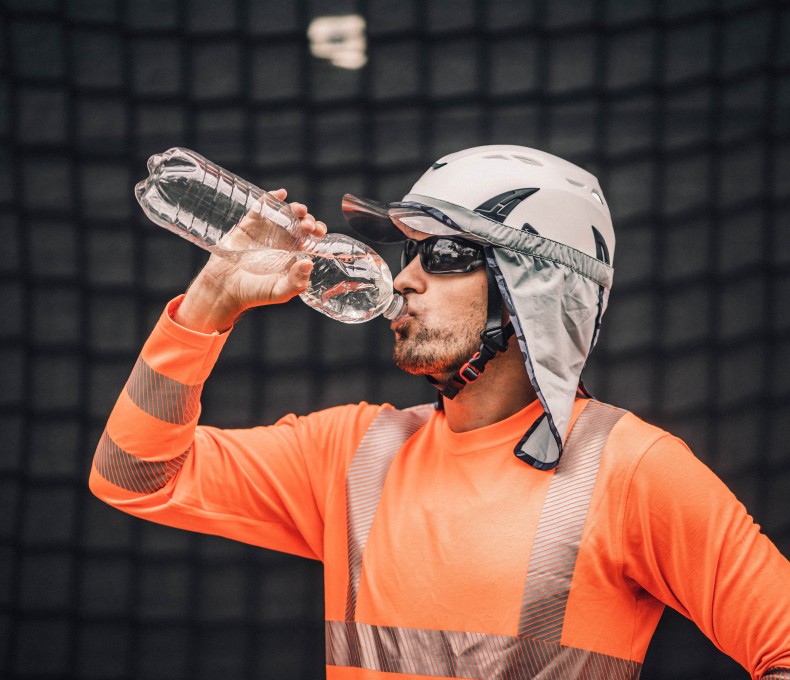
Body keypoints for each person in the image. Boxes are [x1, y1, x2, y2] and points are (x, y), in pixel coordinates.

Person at [90, 145, 790, 679]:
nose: (402, 277)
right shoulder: (352, 454)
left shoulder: (633, 471)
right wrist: (211, 303)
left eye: (446, 253)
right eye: (409, 251)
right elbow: (132, 473)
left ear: (537, 287)